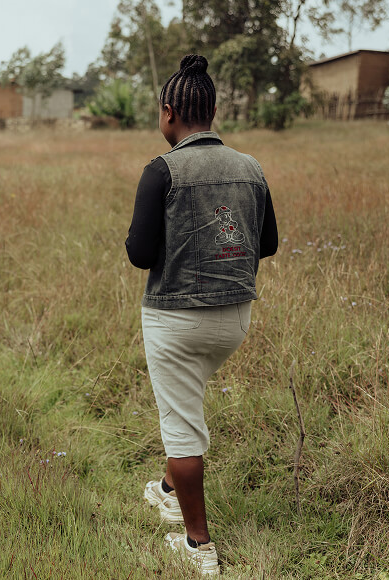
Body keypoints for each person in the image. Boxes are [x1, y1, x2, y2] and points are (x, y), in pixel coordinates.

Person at [125, 54, 278, 576]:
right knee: (186, 404)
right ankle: (167, 488)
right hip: (234, 319)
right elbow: (269, 244)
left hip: (176, 320)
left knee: (181, 426)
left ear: (169, 113)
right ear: (211, 111)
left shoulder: (160, 170)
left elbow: (140, 254)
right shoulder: (251, 168)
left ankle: (197, 546)